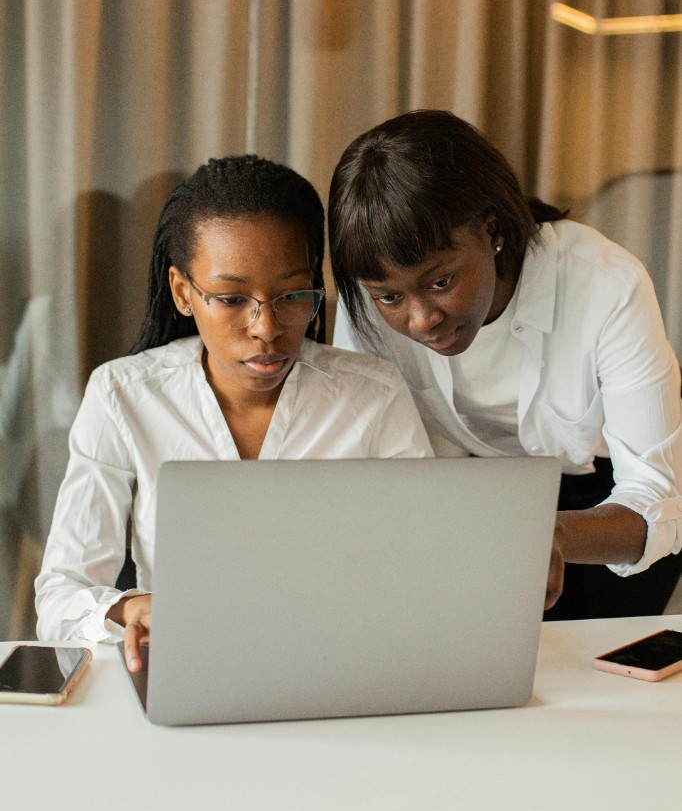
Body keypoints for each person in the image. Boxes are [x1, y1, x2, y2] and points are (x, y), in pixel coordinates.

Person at [36, 156, 432, 666]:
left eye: (291, 294)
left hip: (341, 666)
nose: (266, 327)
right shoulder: (123, 395)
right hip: (189, 668)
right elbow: (61, 595)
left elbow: (422, 571)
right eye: (230, 299)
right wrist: (128, 608)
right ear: (183, 292)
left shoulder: (373, 396)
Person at [329, 109, 682, 620]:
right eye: (389, 297)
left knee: (595, 675)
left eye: (441, 281)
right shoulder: (367, 308)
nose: (422, 320)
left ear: (491, 230)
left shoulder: (606, 285)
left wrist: (548, 532)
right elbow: (369, 468)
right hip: (481, 497)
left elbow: (657, 499)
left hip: (611, 502)